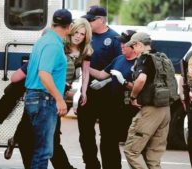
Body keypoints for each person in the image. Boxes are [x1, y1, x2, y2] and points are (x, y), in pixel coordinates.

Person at [24, 8, 71, 169]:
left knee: (39, 149)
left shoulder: (42, 41)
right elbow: (44, 74)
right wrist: (59, 99)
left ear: (53, 23)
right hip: (44, 100)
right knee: (43, 151)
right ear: (69, 27)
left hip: (34, 97)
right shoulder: (54, 45)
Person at [80, 5, 122, 169]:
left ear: (101, 20)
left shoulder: (115, 39)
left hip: (108, 95)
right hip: (88, 92)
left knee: (109, 136)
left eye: (91, 20)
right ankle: (91, 165)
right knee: (85, 133)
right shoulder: (86, 37)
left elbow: (120, 66)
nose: (88, 23)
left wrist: (106, 81)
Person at [124, 32, 171, 169]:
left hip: (151, 110)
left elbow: (141, 80)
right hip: (165, 109)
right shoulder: (161, 57)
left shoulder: (144, 58)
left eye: (133, 46)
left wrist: (133, 97)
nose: (132, 50)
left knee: (131, 151)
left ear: (138, 44)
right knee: (153, 158)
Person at [88, 30, 138, 143]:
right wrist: (85, 66)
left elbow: (140, 88)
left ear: (134, 45)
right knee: (109, 141)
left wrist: (124, 81)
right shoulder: (119, 59)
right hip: (114, 108)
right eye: (121, 43)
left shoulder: (139, 63)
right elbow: (101, 75)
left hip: (131, 110)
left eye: (124, 43)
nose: (121, 46)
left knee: (131, 146)